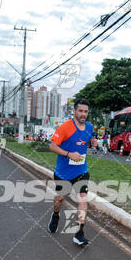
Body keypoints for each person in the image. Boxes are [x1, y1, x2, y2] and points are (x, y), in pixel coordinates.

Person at [48, 98, 95, 246]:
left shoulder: (89, 127)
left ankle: (79, 233)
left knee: (83, 199)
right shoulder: (65, 127)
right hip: (63, 172)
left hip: (82, 170)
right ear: (74, 111)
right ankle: (55, 215)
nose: (83, 114)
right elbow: (52, 147)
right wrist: (69, 154)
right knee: (60, 199)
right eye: (80, 111)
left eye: (85, 111)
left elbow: (87, 140)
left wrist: (93, 143)